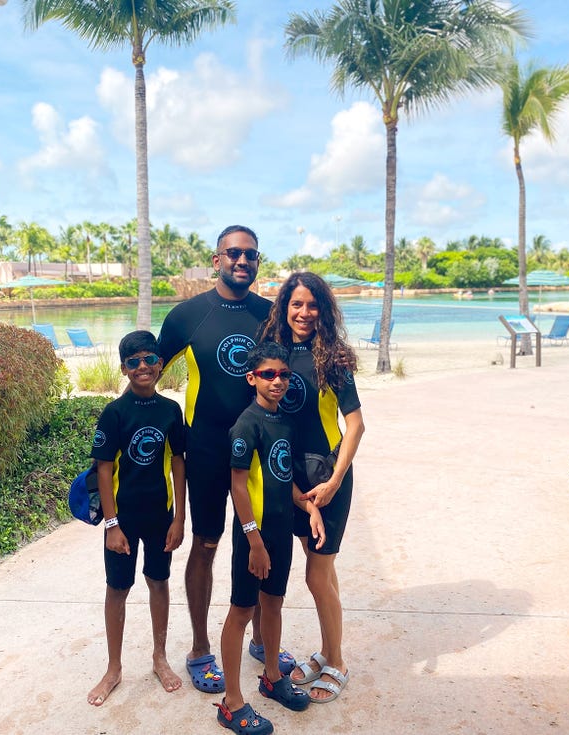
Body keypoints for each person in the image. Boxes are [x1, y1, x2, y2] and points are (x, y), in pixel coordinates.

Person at [157, 225, 294, 694]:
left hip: (261, 447)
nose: (242, 261)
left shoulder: (270, 314)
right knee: (209, 542)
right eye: (233, 253)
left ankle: (259, 638)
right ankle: (199, 648)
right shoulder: (186, 316)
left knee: (262, 536)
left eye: (251, 255)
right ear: (216, 259)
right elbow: (146, 374)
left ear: (258, 262)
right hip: (209, 448)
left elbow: (290, 368)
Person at [258, 271, 365, 704]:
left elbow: (355, 425)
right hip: (294, 480)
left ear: (323, 309)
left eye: (312, 304)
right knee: (323, 569)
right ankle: (326, 650)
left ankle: (337, 661)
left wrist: (335, 480)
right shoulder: (275, 355)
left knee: (317, 576)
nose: (304, 312)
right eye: (296, 304)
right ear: (285, 307)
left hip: (329, 479)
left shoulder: (333, 357)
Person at [215, 341, 323, 734]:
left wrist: (306, 505)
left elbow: (282, 477)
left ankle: (273, 676)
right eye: (268, 374)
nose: (277, 381)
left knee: (274, 605)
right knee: (242, 612)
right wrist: (254, 540)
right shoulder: (247, 424)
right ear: (252, 378)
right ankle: (231, 702)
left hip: (278, 530)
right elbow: (238, 486)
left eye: (283, 375)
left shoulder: (283, 422)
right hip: (253, 536)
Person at [85, 330, 187, 706]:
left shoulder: (170, 410)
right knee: (118, 588)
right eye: (133, 362)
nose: (142, 367)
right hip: (123, 520)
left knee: (158, 582)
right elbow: (103, 469)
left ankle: (160, 657)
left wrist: (180, 518)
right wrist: (111, 525)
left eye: (149, 359)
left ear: (160, 363)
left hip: (160, 515)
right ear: (124, 369)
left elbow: (178, 462)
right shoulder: (114, 413)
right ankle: (114, 668)